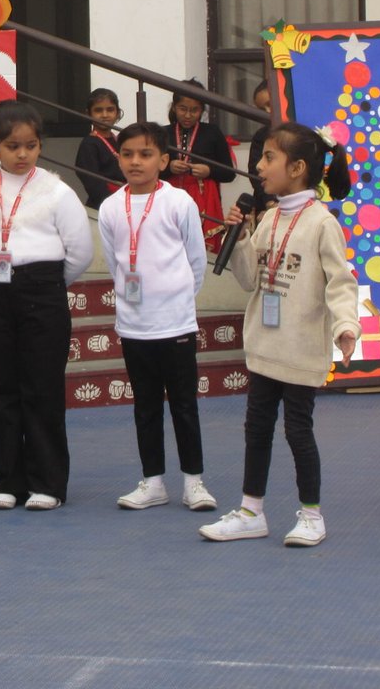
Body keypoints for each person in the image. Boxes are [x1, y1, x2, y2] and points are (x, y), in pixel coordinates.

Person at [199, 122, 359, 548]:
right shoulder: (269, 217)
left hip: (300, 347)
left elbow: (341, 282)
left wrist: (346, 325)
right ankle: (251, 511)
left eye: (269, 157)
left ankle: (312, 515)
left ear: (298, 168)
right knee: (256, 428)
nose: (259, 166)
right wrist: (240, 237)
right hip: (265, 345)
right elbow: (250, 280)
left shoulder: (322, 223)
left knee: (298, 431)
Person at [0, 99, 94, 510]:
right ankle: (8, 480)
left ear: (40, 145)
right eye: (12, 146)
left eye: (31, 146)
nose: (22, 154)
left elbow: (80, 251)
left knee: (42, 385)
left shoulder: (58, 192)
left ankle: (48, 482)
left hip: (44, 290)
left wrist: (45, 282)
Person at [97, 121, 216, 512]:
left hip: (176, 323)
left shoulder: (179, 202)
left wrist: (177, 298)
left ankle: (194, 483)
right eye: (127, 154)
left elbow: (196, 259)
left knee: (184, 405)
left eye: (146, 154)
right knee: (145, 407)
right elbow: (115, 262)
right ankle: (153, 482)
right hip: (134, 326)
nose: (136, 162)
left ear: (163, 161)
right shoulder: (110, 207)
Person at [162, 82, 237, 253]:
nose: (188, 115)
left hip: (204, 199)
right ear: (174, 107)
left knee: (201, 251)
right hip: (168, 197)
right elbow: (151, 170)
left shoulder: (212, 132)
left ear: (202, 110)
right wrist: (168, 167)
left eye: (194, 110)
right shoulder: (163, 133)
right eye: (183, 109)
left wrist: (209, 171)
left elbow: (229, 173)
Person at [74, 87, 124, 209]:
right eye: (98, 110)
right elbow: (92, 182)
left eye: (110, 110)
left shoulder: (119, 140)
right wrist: (113, 206)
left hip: (124, 200)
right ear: (88, 114)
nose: (105, 115)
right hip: (104, 206)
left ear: (117, 113)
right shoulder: (89, 144)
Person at [246, 81, 274, 216]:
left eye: (270, 104)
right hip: (266, 204)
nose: (268, 112)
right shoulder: (261, 136)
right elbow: (255, 171)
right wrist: (269, 201)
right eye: (262, 110)